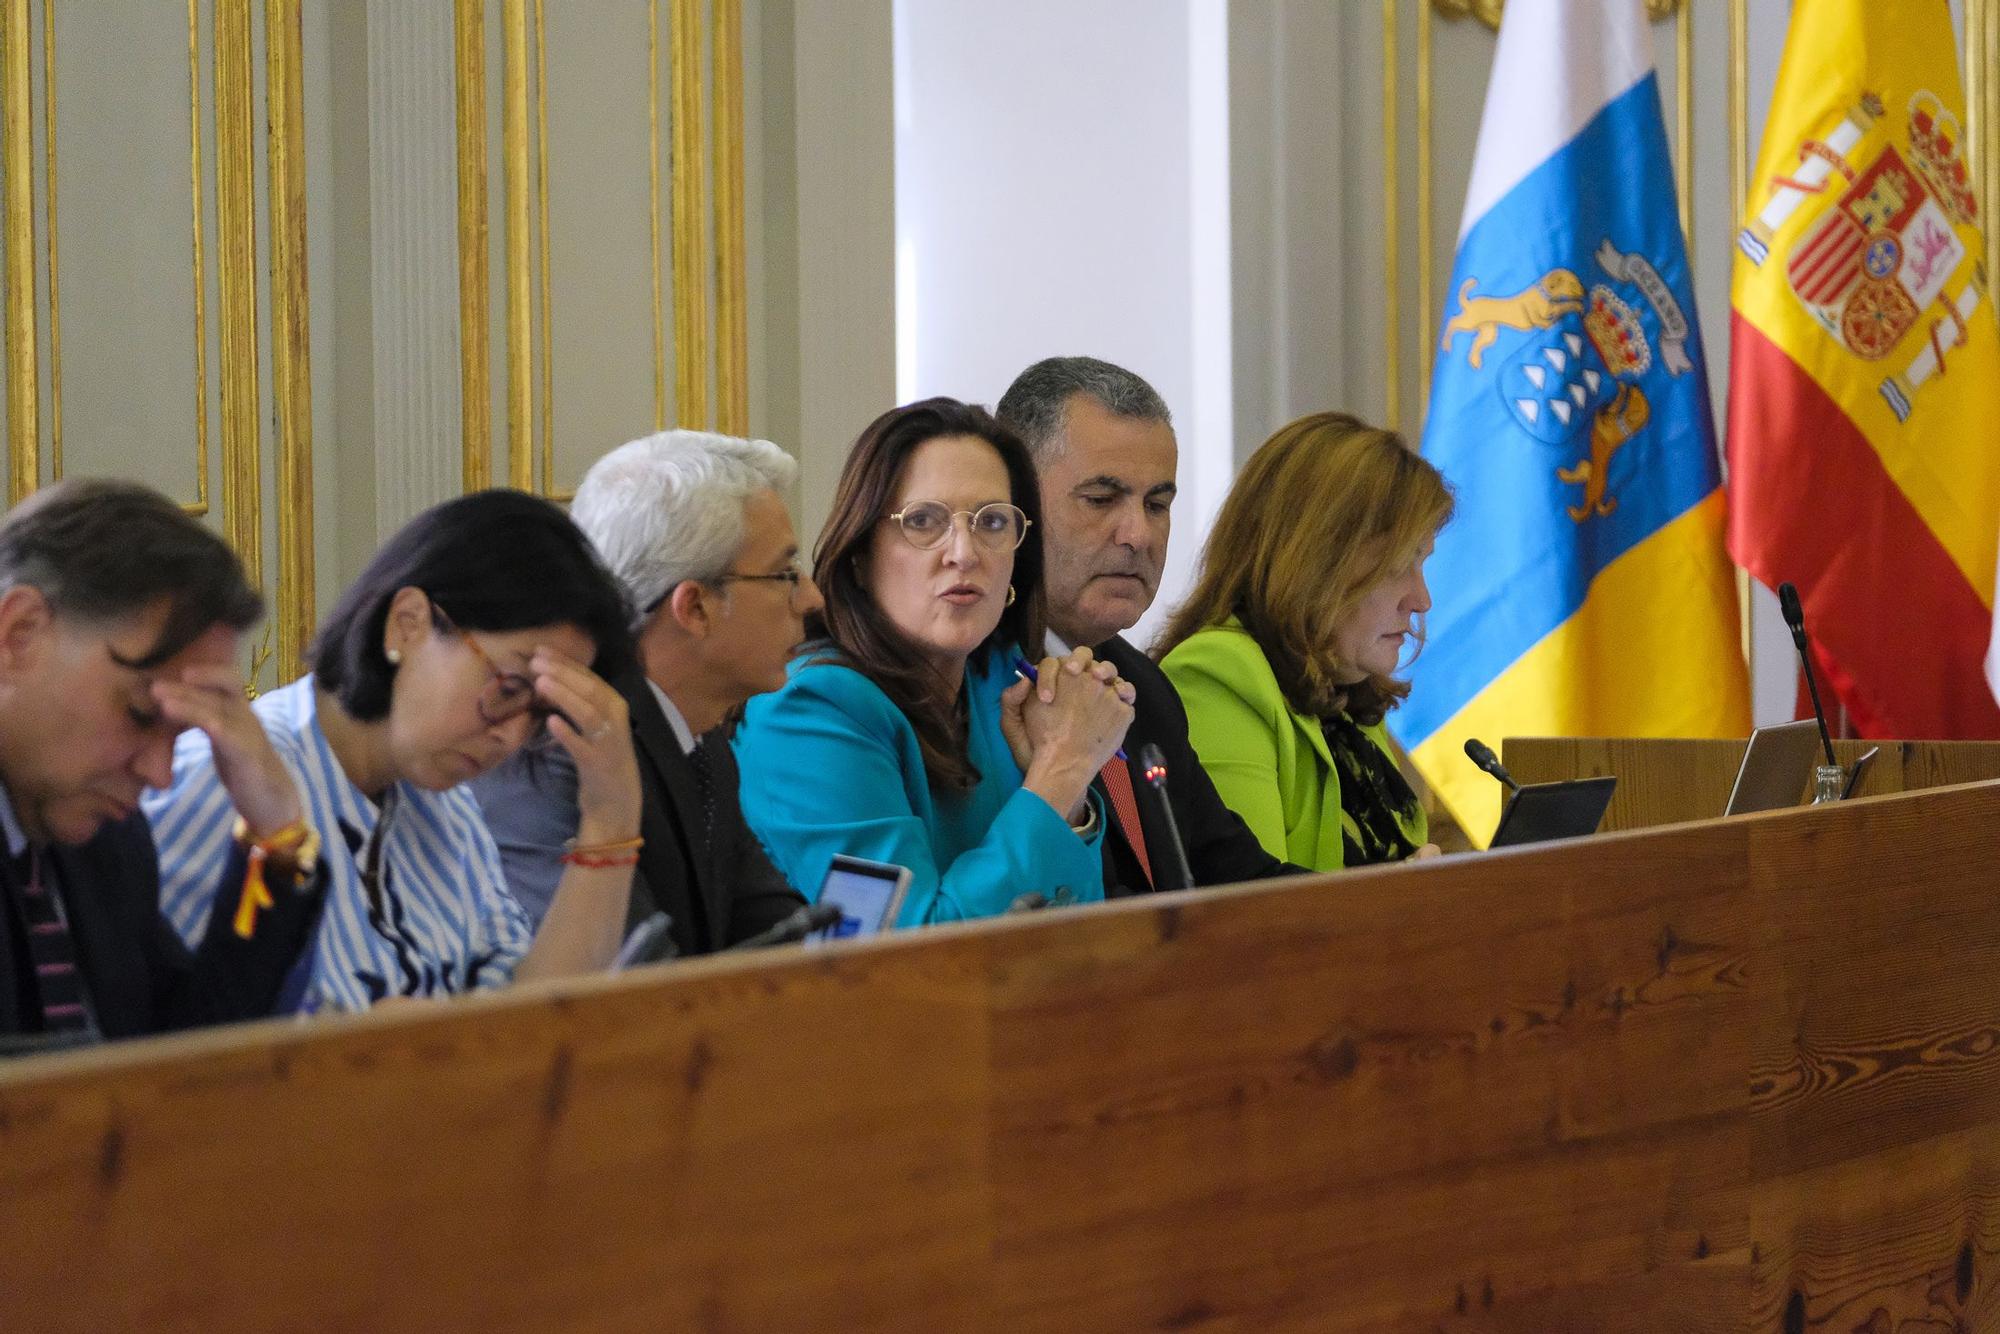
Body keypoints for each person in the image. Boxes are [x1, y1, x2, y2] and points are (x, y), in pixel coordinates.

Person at [145, 491, 642, 1013]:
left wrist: (611, 817)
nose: (512, 737)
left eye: (541, 714)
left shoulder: (447, 810)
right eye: (509, 688)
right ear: (407, 623)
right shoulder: (226, 783)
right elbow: (168, 1044)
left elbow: (529, 1022)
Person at [733, 397, 1134, 925]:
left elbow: (1077, 931)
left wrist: (1072, 798)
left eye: (992, 522)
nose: (964, 553)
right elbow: (910, 951)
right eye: (923, 521)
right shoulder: (809, 712)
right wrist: (1063, 770)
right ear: (860, 554)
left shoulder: (1001, 683)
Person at [0, 480, 324, 1048]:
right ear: (17, 634)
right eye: (142, 714)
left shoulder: (111, 845)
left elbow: (187, 1064)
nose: (160, 774)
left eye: (182, 734)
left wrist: (275, 837)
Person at [473, 430, 813, 959]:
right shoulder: (566, 748)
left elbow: (776, 933)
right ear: (694, 607)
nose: (810, 597)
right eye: (784, 574)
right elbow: (632, 994)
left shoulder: (702, 735)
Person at [997, 356, 1305, 893]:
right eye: (1100, 499)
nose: (1138, 534)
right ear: (1013, 503)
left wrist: (1400, 902)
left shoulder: (1142, 686)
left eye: (1157, 504)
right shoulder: (970, 682)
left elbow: (1234, 883)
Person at [1155, 411, 1452, 872]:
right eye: (1397, 566)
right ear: (1317, 562)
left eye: (1422, 564)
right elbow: (1254, 908)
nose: (1421, 599)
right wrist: (1398, 901)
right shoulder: (1218, 673)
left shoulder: (1347, 689)